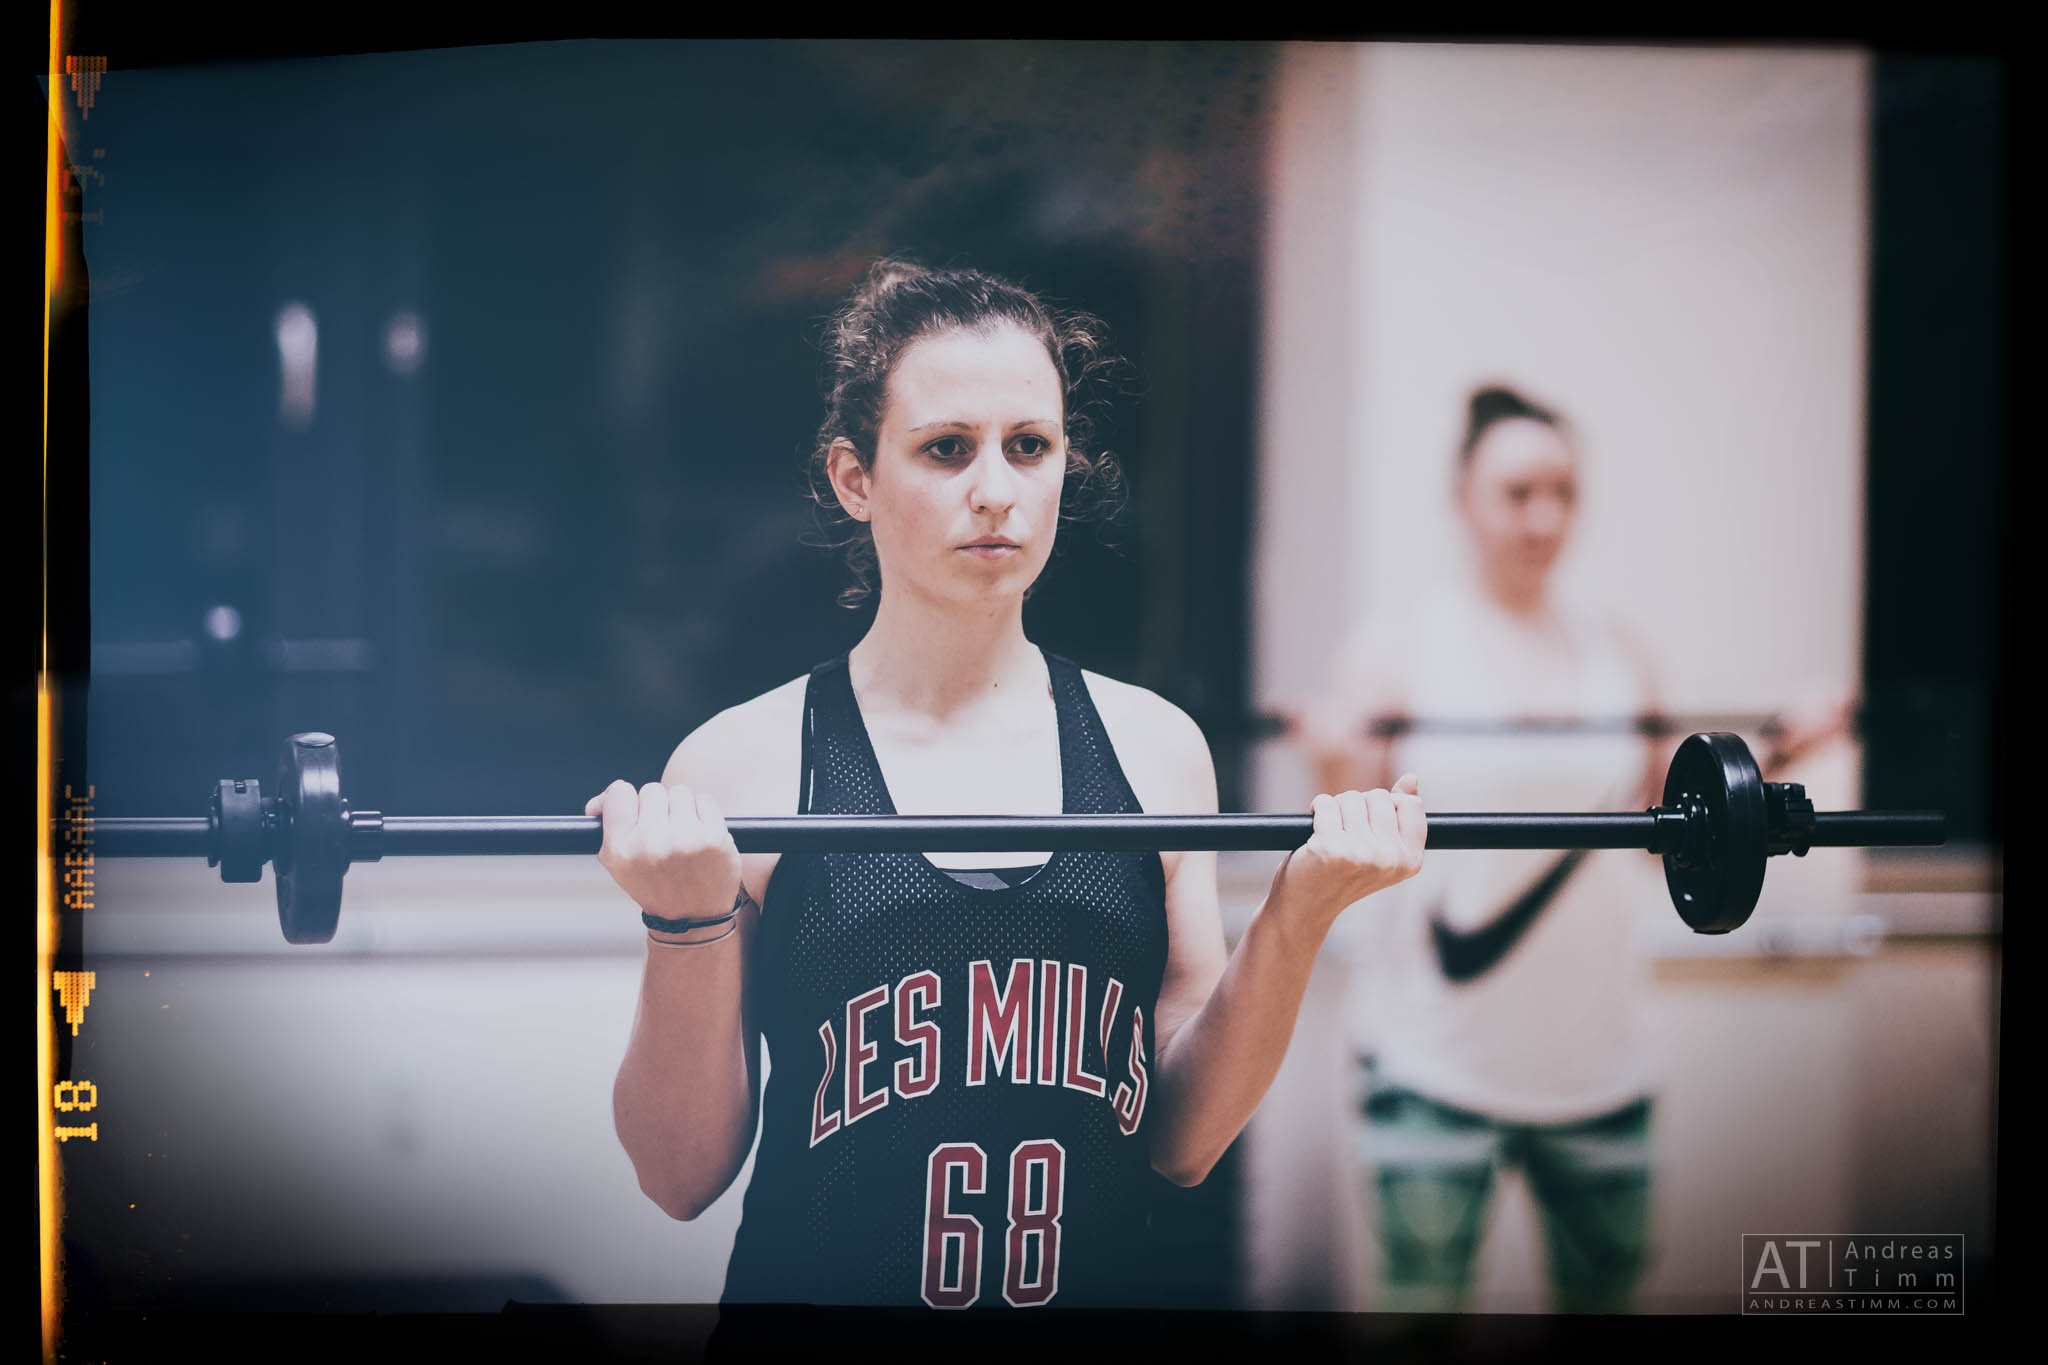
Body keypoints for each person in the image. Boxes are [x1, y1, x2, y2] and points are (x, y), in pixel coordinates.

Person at [590, 260, 1427, 1328]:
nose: (995, 487)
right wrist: (682, 922)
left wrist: (1300, 914)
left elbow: (1181, 1141)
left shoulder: (1151, 752)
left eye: (1028, 446)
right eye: (947, 449)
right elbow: (676, 1177)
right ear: (855, 478)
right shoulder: (742, 765)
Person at [1304, 384, 1850, 1316]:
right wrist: (1332, 751)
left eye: (1563, 491)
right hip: (1429, 1067)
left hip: (1601, 1073)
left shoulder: (1618, 653)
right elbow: (1343, 843)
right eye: (1518, 492)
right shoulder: (1396, 653)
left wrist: (1782, 747)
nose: (1544, 516)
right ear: (1463, 500)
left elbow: (1660, 830)